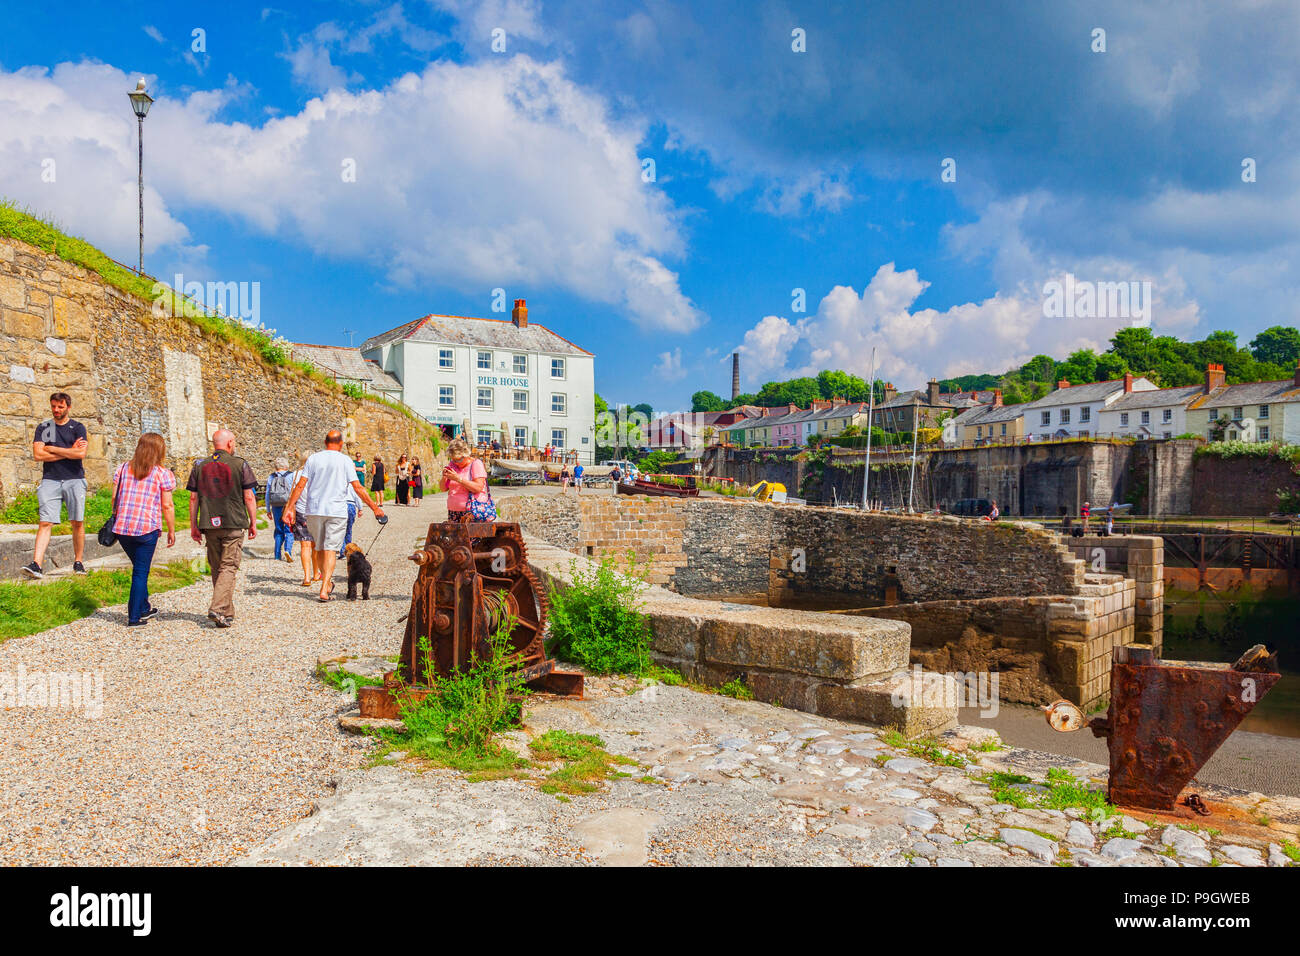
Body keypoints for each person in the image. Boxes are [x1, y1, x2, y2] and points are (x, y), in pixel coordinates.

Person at [284, 430, 385, 602]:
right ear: (340, 443)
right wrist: (375, 507)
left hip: (314, 510)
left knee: (321, 548)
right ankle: (324, 588)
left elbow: (301, 485)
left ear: (325, 442)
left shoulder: (314, 459)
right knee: (330, 548)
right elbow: (358, 487)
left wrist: (289, 507)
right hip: (336, 511)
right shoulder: (345, 460)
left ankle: (327, 582)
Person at [187, 429, 257, 628]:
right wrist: (252, 521)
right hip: (233, 522)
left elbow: (193, 498)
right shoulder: (240, 464)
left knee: (218, 567)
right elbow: (249, 496)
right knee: (229, 567)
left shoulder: (199, 465)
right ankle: (217, 608)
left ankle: (225, 613)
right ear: (230, 443)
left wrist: (194, 525)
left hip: (209, 524)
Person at [110, 432, 177, 626]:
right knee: (140, 572)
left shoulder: (122, 468)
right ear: (160, 451)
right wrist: (171, 530)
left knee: (139, 568)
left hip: (122, 528)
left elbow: (114, 498)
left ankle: (144, 607)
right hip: (147, 528)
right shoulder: (162, 474)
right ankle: (133, 617)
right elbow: (167, 506)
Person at [24, 392, 90, 577]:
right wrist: (69, 451)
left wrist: (52, 448)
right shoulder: (45, 427)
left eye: (60, 407)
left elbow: (80, 454)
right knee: (45, 522)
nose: (56, 410)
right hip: (50, 479)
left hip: (74, 478)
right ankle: (37, 564)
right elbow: (38, 455)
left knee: (77, 521)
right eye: (53, 406)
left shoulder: (77, 427)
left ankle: (78, 562)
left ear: (68, 407)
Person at [442, 438, 490, 521]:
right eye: (453, 459)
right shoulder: (452, 465)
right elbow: (443, 488)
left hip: (472, 512)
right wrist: (444, 477)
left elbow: (478, 488)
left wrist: (458, 479)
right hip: (453, 512)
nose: (456, 463)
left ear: (466, 454)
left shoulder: (476, 464)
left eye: (459, 459)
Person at [291, 450, 317, 587]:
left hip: (301, 511)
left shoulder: (295, 475)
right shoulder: (319, 474)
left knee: (305, 545)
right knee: (316, 544)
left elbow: (292, 494)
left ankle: (307, 577)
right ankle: (316, 573)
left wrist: (290, 509)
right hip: (316, 511)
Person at [265, 456, 295, 562]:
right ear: (286, 466)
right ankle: (288, 550)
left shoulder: (271, 477)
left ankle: (277, 555)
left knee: (278, 530)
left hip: (276, 505)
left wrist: (268, 509)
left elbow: (268, 494)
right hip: (287, 505)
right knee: (289, 529)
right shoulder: (291, 475)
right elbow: (294, 491)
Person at [337, 483, 363, 558]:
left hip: (341, 505)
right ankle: (349, 551)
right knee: (348, 530)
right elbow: (357, 496)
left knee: (341, 530)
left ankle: (343, 552)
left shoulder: (337, 484)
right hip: (351, 505)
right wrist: (360, 508)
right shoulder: (352, 485)